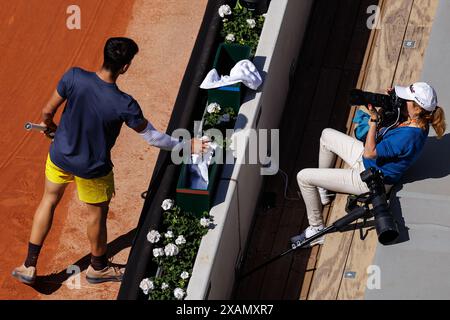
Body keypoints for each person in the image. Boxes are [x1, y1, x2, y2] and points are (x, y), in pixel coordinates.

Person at [12, 37, 208, 285]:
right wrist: (185, 144)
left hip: (59, 156)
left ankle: (29, 264)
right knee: (96, 217)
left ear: (105, 56)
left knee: (48, 201)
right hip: (93, 170)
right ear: (125, 66)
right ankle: (98, 267)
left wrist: (51, 128)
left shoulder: (73, 76)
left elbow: (47, 113)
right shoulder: (125, 104)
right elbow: (154, 139)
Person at [292, 82, 446, 246]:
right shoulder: (414, 119)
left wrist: (374, 120)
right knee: (326, 135)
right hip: (371, 162)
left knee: (303, 177)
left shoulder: (409, 136)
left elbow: (369, 152)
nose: (402, 100)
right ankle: (323, 190)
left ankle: (316, 228)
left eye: (406, 99)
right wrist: (392, 100)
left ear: (417, 109)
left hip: (369, 177)